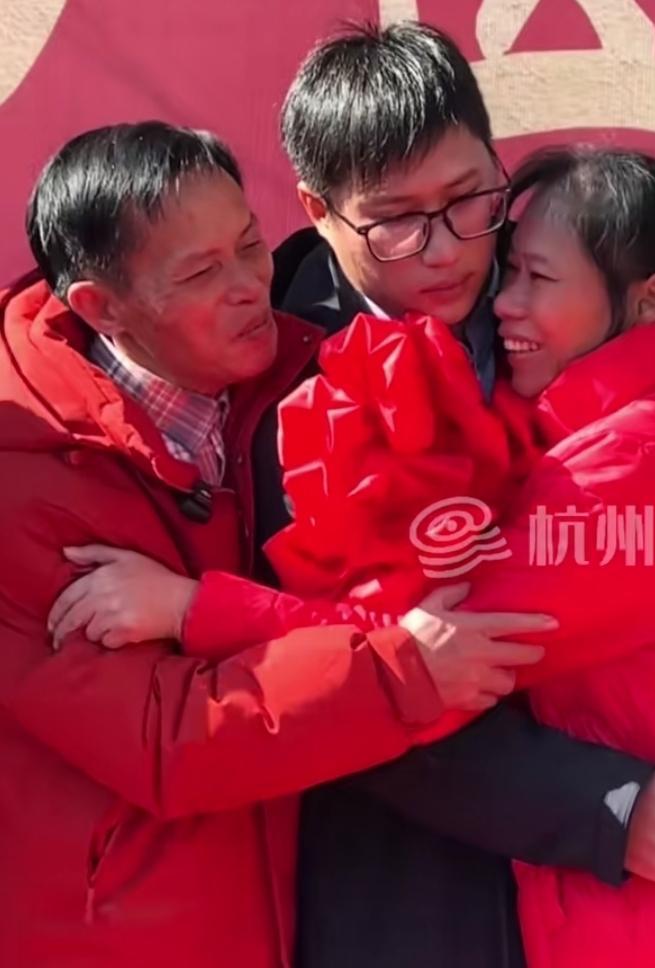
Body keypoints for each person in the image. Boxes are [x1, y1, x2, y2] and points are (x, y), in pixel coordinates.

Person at [50, 25, 655, 968]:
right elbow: (360, 678)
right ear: (319, 210)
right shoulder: (279, 387)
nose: (446, 251)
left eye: (467, 199)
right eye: (396, 219)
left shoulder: (545, 277)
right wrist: (603, 810)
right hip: (422, 888)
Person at [0, 120, 555, 968]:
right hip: (120, 937)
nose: (248, 286)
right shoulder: (25, 478)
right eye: (201, 273)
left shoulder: (306, 373)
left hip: (289, 916)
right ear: (100, 309)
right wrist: (401, 670)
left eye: (251, 245)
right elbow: (169, 741)